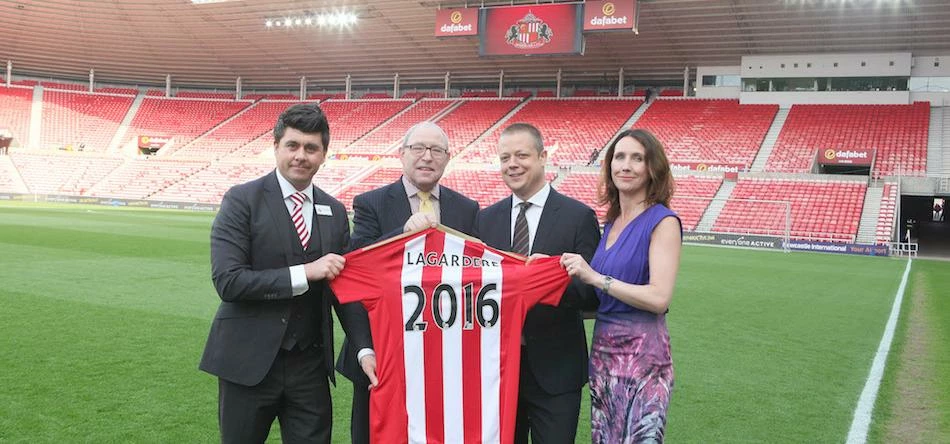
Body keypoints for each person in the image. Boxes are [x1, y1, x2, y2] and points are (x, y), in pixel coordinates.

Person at [199, 103, 375, 443]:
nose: (301, 156)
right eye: (292, 145)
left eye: (311, 148)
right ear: (276, 146)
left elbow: (346, 290)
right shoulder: (242, 200)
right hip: (247, 362)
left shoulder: (335, 212)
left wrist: (364, 349)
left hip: (309, 364)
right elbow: (228, 281)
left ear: (324, 154)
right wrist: (305, 272)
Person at [336, 121, 479, 444]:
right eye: (418, 148)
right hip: (382, 353)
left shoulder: (466, 209)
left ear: (447, 157)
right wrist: (403, 234)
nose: (427, 157)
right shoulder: (371, 203)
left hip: (443, 356)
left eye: (436, 150)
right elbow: (358, 267)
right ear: (402, 154)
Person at [475, 123, 601, 444]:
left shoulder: (578, 217)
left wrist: (547, 279)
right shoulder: (484, 220)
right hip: (497, 372)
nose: (512, 164)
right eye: (505, 158)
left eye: (521, 155)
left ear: (543, 157)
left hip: (556, 372)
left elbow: (592, 294)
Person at [560, 128, 682, 443]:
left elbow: (659, 297)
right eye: (619, 157)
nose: (625, 166)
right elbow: (604, 300)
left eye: (637, 158)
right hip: (603, 356)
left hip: (644, 360)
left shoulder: (663, 221)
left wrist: (596, 278)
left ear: (652, 167)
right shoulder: (611, 223)